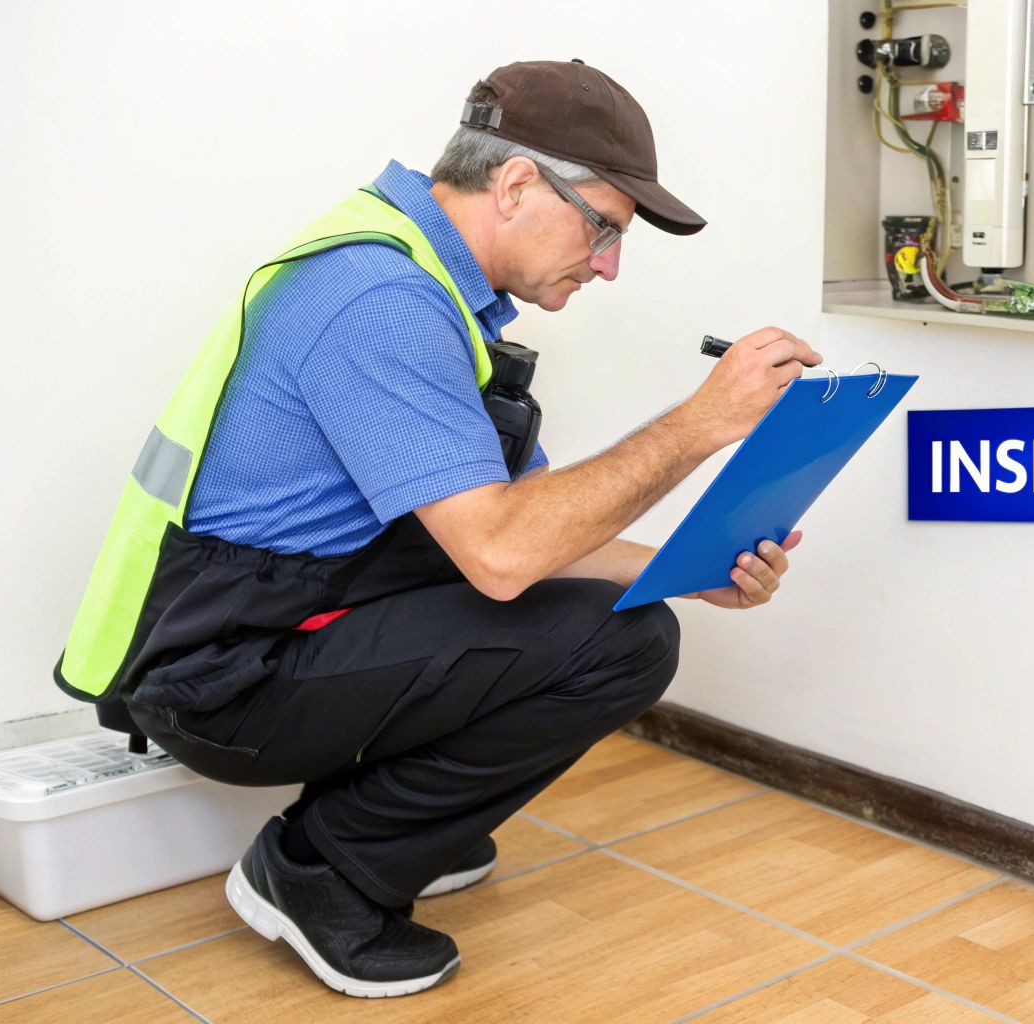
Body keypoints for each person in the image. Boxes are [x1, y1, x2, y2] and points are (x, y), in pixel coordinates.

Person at [52, 59, 821, 998]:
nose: (610, 265)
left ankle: (405, 827)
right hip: (220, 679)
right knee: (621, 641)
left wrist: (690, 567)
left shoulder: (427, 288)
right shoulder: (381, 301)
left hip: (265, 627)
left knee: (614, 602)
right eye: (606, 231)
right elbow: (505, 556)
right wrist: (703, 424)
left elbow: (539, 533)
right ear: (516, 183)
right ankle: (319, 868)